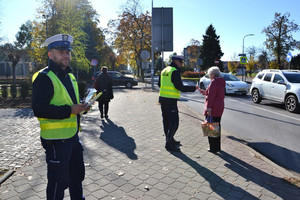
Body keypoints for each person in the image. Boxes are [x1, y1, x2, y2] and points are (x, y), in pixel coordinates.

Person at [32, 34, 89, 200]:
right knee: (57, 184)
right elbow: (39, 109)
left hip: (73, 138)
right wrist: (70, 110)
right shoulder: (44, 77)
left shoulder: (69, 76)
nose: (66, 55)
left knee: (76, 179)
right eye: (61, 51)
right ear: (50, 54)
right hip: (56, 142)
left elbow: (70, 104)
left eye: (68, 52)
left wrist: (82, 107)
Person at [158, 55, 198, 152]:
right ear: (175, 61)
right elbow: (180, 87)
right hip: (171, 100)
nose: (181, 64)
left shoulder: (165, 70)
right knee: (174, 122)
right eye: (180, 62)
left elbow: (159, 84)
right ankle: (168, 144)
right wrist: (194, 88)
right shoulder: (174, 71)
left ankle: (170, 139)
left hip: (163, 99)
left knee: (166, 121)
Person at [198, 66, 225, 153]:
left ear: (213, 74)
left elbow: (210, 97)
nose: (209, 76)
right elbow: (208, 93)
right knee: (217, 127)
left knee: (211, 127)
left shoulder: (214, 82)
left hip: (213, 108)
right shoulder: (221, 82)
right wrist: (200, 90)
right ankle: (217, 147)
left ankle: (213, 148)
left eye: (209, 74)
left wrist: (209, 109)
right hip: (219, 108)